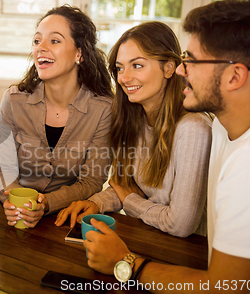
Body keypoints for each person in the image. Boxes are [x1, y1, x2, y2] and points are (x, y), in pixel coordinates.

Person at [83, 1, 250, 292]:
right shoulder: (226, 128)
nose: (182, 68)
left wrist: (126, 262)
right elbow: (125, 184)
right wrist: (102, 200)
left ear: (235, 76)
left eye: (192, 60)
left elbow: (225, 287)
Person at [55, 21, 211, 238]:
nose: (124, 78)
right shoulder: (134, 118)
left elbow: (180, 224)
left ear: (168, 68)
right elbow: (125, 186)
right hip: (151, 237)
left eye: (137, 65)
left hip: (187, 255)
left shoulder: (193, 129)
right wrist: (95, 203)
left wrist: (129, 200)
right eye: (120, 68)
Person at [0, 5, 113, 228]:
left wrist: (46, 203)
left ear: (80, 53)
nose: (41, 48)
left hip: (65, 218)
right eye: (37, 41)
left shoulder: (103, 109)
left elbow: (92, 181)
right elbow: (2, 168)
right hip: (12, 213)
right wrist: (16, 202)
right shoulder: (13, 100)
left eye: (54, 41)